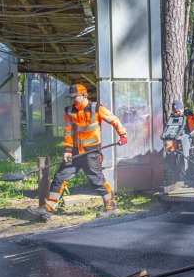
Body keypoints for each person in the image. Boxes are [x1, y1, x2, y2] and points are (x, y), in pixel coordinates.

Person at [27, 84, 128, 220]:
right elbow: (68, 132)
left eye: (75, 97)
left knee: (97, 181)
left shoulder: (96, 108)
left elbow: (114, 120)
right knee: (60, 178)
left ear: (84, 95)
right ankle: (48, 209)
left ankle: (110, 206)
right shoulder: (69, 111)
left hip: (92, 152)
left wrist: (122, 135)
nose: (73, 100)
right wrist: (67, 150)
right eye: (71, 97)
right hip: (74, 153)